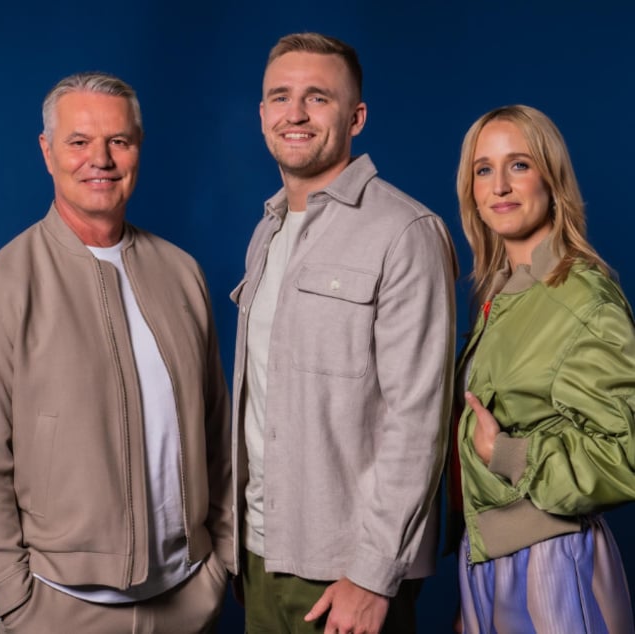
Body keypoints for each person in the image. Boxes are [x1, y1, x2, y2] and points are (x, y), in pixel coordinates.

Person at [0, 72, 233, 633]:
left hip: (187, 599)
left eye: (118, 142)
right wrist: (14, 597)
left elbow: (216, 430)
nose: (100, 159)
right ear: (47, 152)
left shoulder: (182, 273)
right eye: (79, 142)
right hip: (58, 610)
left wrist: (219, 563)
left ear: (137, 150)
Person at [231, 32, 457, 634]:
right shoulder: (268, 231)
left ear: (356, 117)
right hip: (256, 557)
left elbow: (420, 418)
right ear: (262, 114)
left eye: (317, 98)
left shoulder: (405, 232)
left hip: (345, 577)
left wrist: (372, 573)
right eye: (280, 97)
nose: (295, 114)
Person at [453, 104, 635, 633]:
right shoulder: (503, 295)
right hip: (490, 562)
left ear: (551, 179)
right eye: (484, 169)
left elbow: (625, 455)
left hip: (553, 561)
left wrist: (506, 452)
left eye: (520, 165)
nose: (500, 186)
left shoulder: (581, 296)